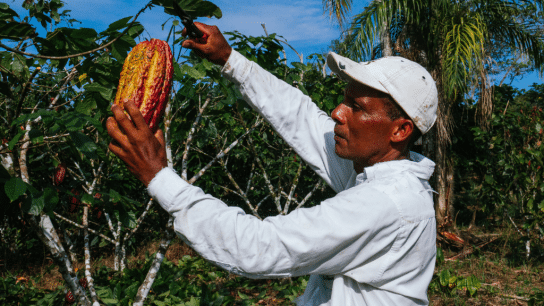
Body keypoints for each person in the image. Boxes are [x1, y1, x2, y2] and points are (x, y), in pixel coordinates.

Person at [106, 22, 438, 306]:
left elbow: (258, 249)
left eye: (356, 106)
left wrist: (158, 176)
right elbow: (299, 116)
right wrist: (229, 60)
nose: (338, 112)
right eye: (344, 99)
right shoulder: (372, 169)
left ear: (400, 130)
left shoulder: (385, 204)